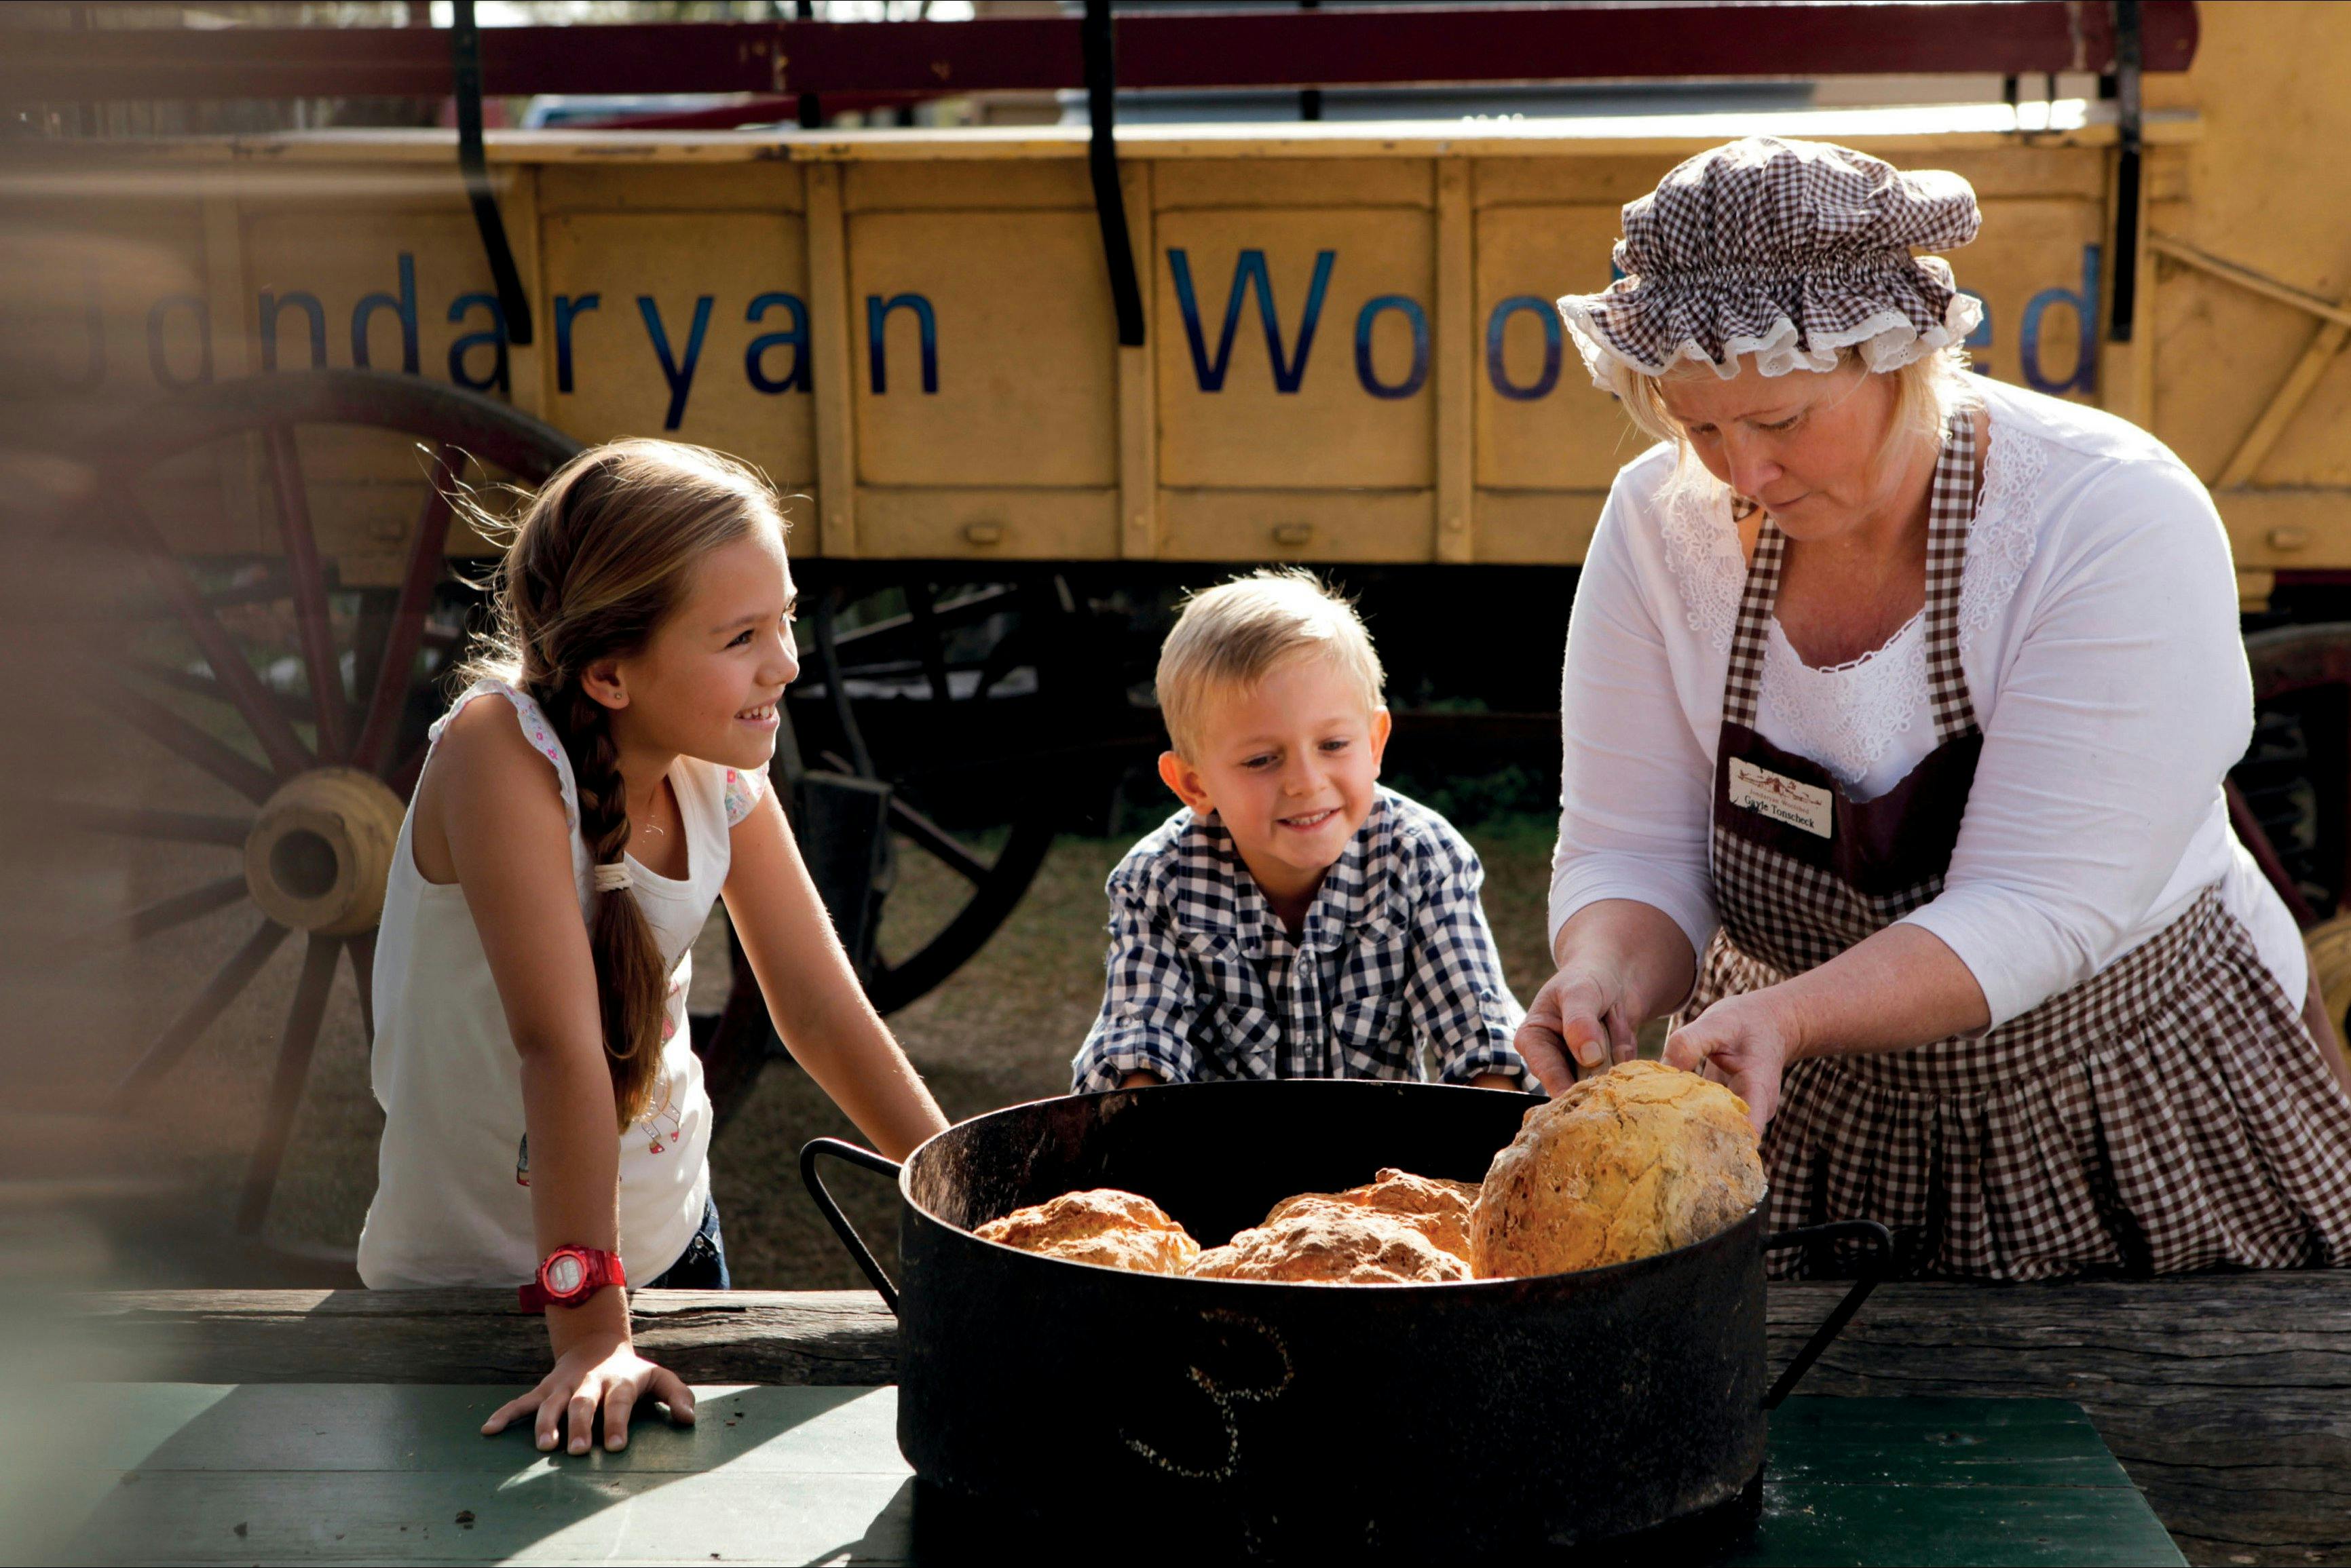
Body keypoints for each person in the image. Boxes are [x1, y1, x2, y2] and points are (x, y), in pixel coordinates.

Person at [1524, 136, 2351, 1280]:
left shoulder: (2102, 515)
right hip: (1795, 1108)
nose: (1740, 474)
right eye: (1699, 427)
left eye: (1781, 423)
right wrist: (1605, 971)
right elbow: (1630, 841)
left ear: (1898, 354)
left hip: (2122, 1091)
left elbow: (2038, 902)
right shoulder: (1657, 525)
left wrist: (1791, 1016)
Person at [356, 440, 947, 1451]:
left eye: (788, 617)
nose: (788, 661)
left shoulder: (717, 769)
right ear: (610, 671)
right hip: (494, 1291)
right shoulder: (495, 754)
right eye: (743, 636)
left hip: (673, 1247)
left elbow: (818, 1008)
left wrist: (962, 1201)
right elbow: (560, 1044)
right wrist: (589, 1332)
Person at [1072, 570, 1529, 1093]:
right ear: (1194, 784)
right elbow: (1139, 1047)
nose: (1306, 784)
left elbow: (1483, 1042)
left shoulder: (1420, 858)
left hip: (1389, 1167)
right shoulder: (1158, 882)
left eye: (1333, 745)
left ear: (1375, 743)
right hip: (1215, 1169)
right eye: (1263, 759)